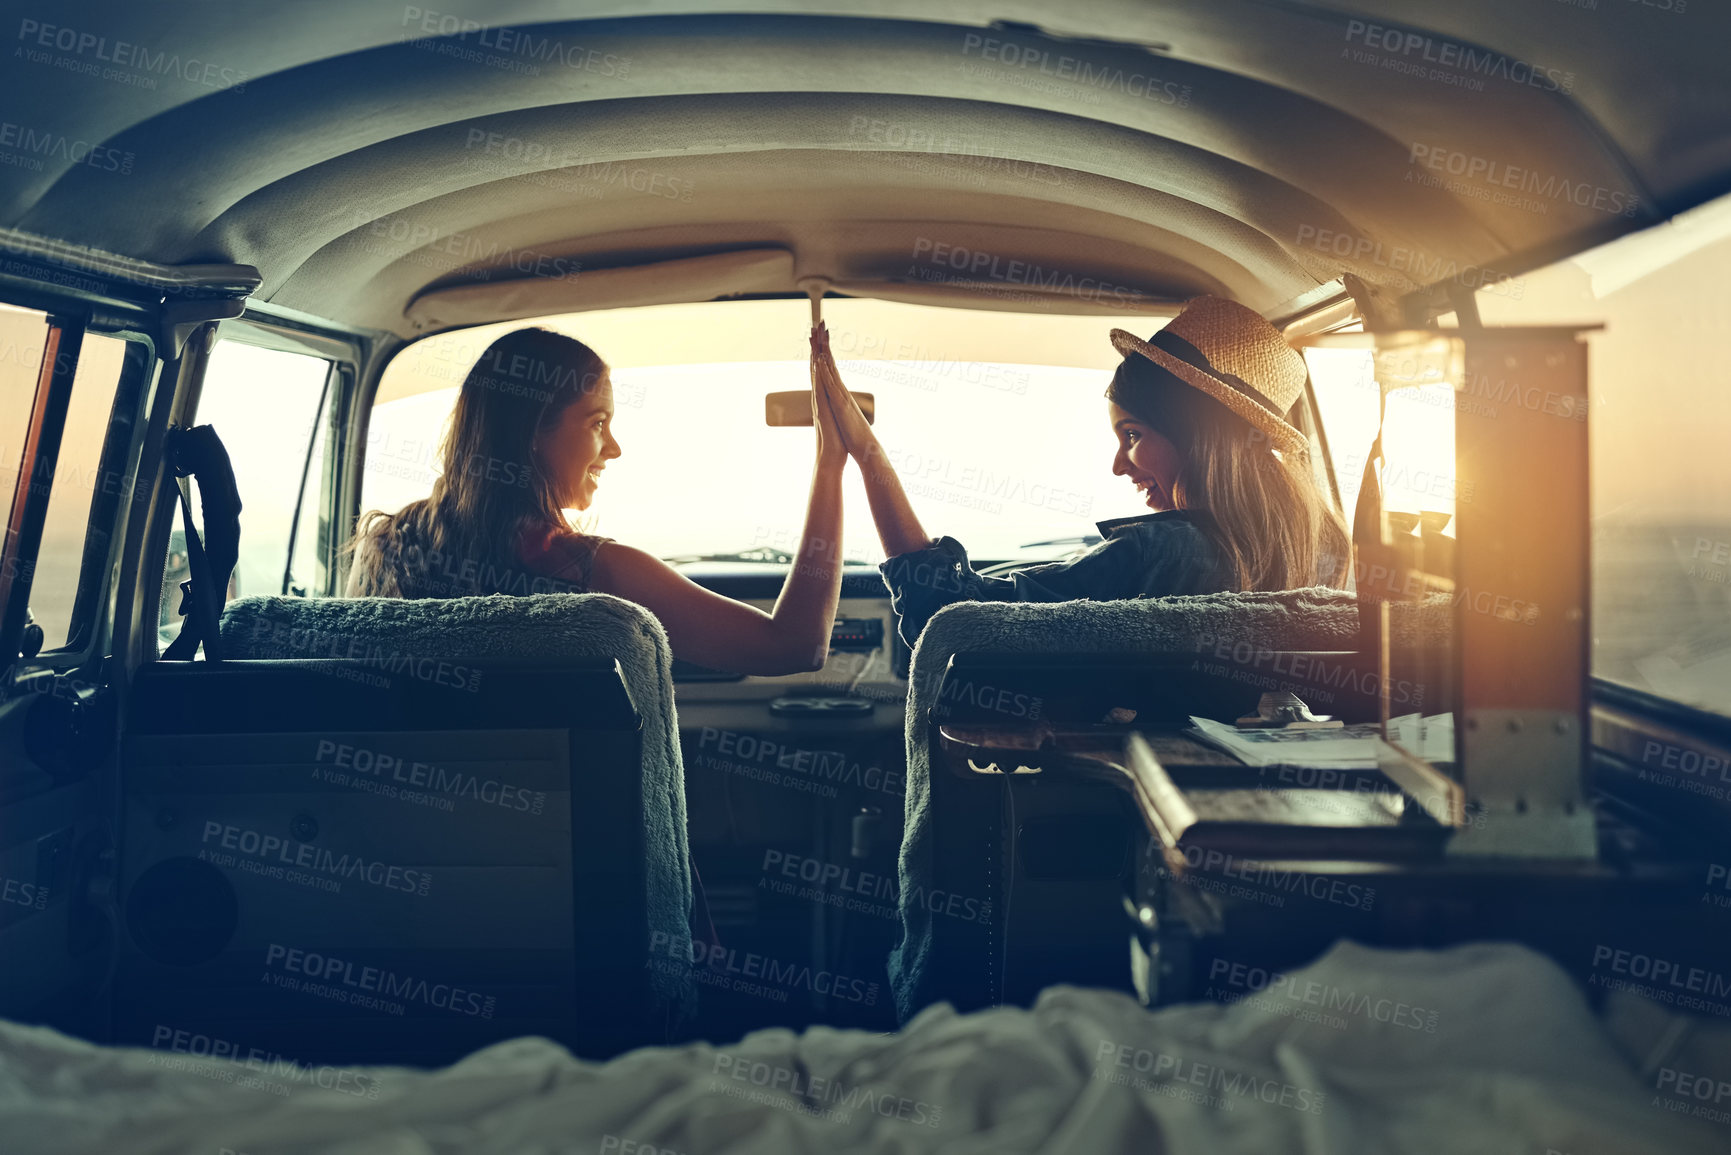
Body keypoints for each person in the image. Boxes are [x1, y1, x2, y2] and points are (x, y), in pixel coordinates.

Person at [810, 294, 1351, 648]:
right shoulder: (1327, 549)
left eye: (1133, 435)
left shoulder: (1156, 553)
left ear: (1198, 437)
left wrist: (864, 453)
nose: (1120, 465)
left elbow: (950, 620)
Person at [345, 325, 850, 676]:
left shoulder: (388, 545)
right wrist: (831, 463)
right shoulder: (601, 575)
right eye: (597, 423)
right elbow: (797, 646)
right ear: (531, 434)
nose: (614, 447)